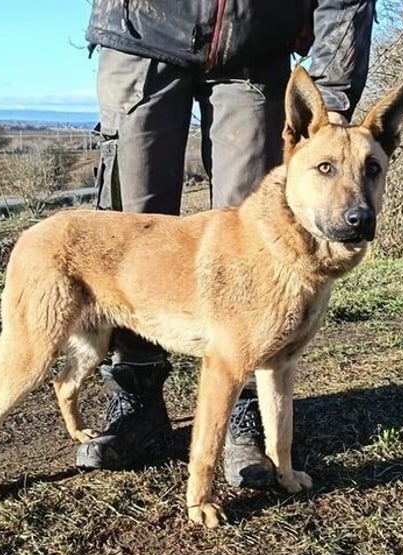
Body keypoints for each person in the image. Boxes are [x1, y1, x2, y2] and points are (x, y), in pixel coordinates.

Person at [78, 0, 377, 487]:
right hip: (140, 32)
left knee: (253, 236)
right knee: (131, 236)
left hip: (255, 43)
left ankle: (243, 414)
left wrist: (333, 92)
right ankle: (137, 395)